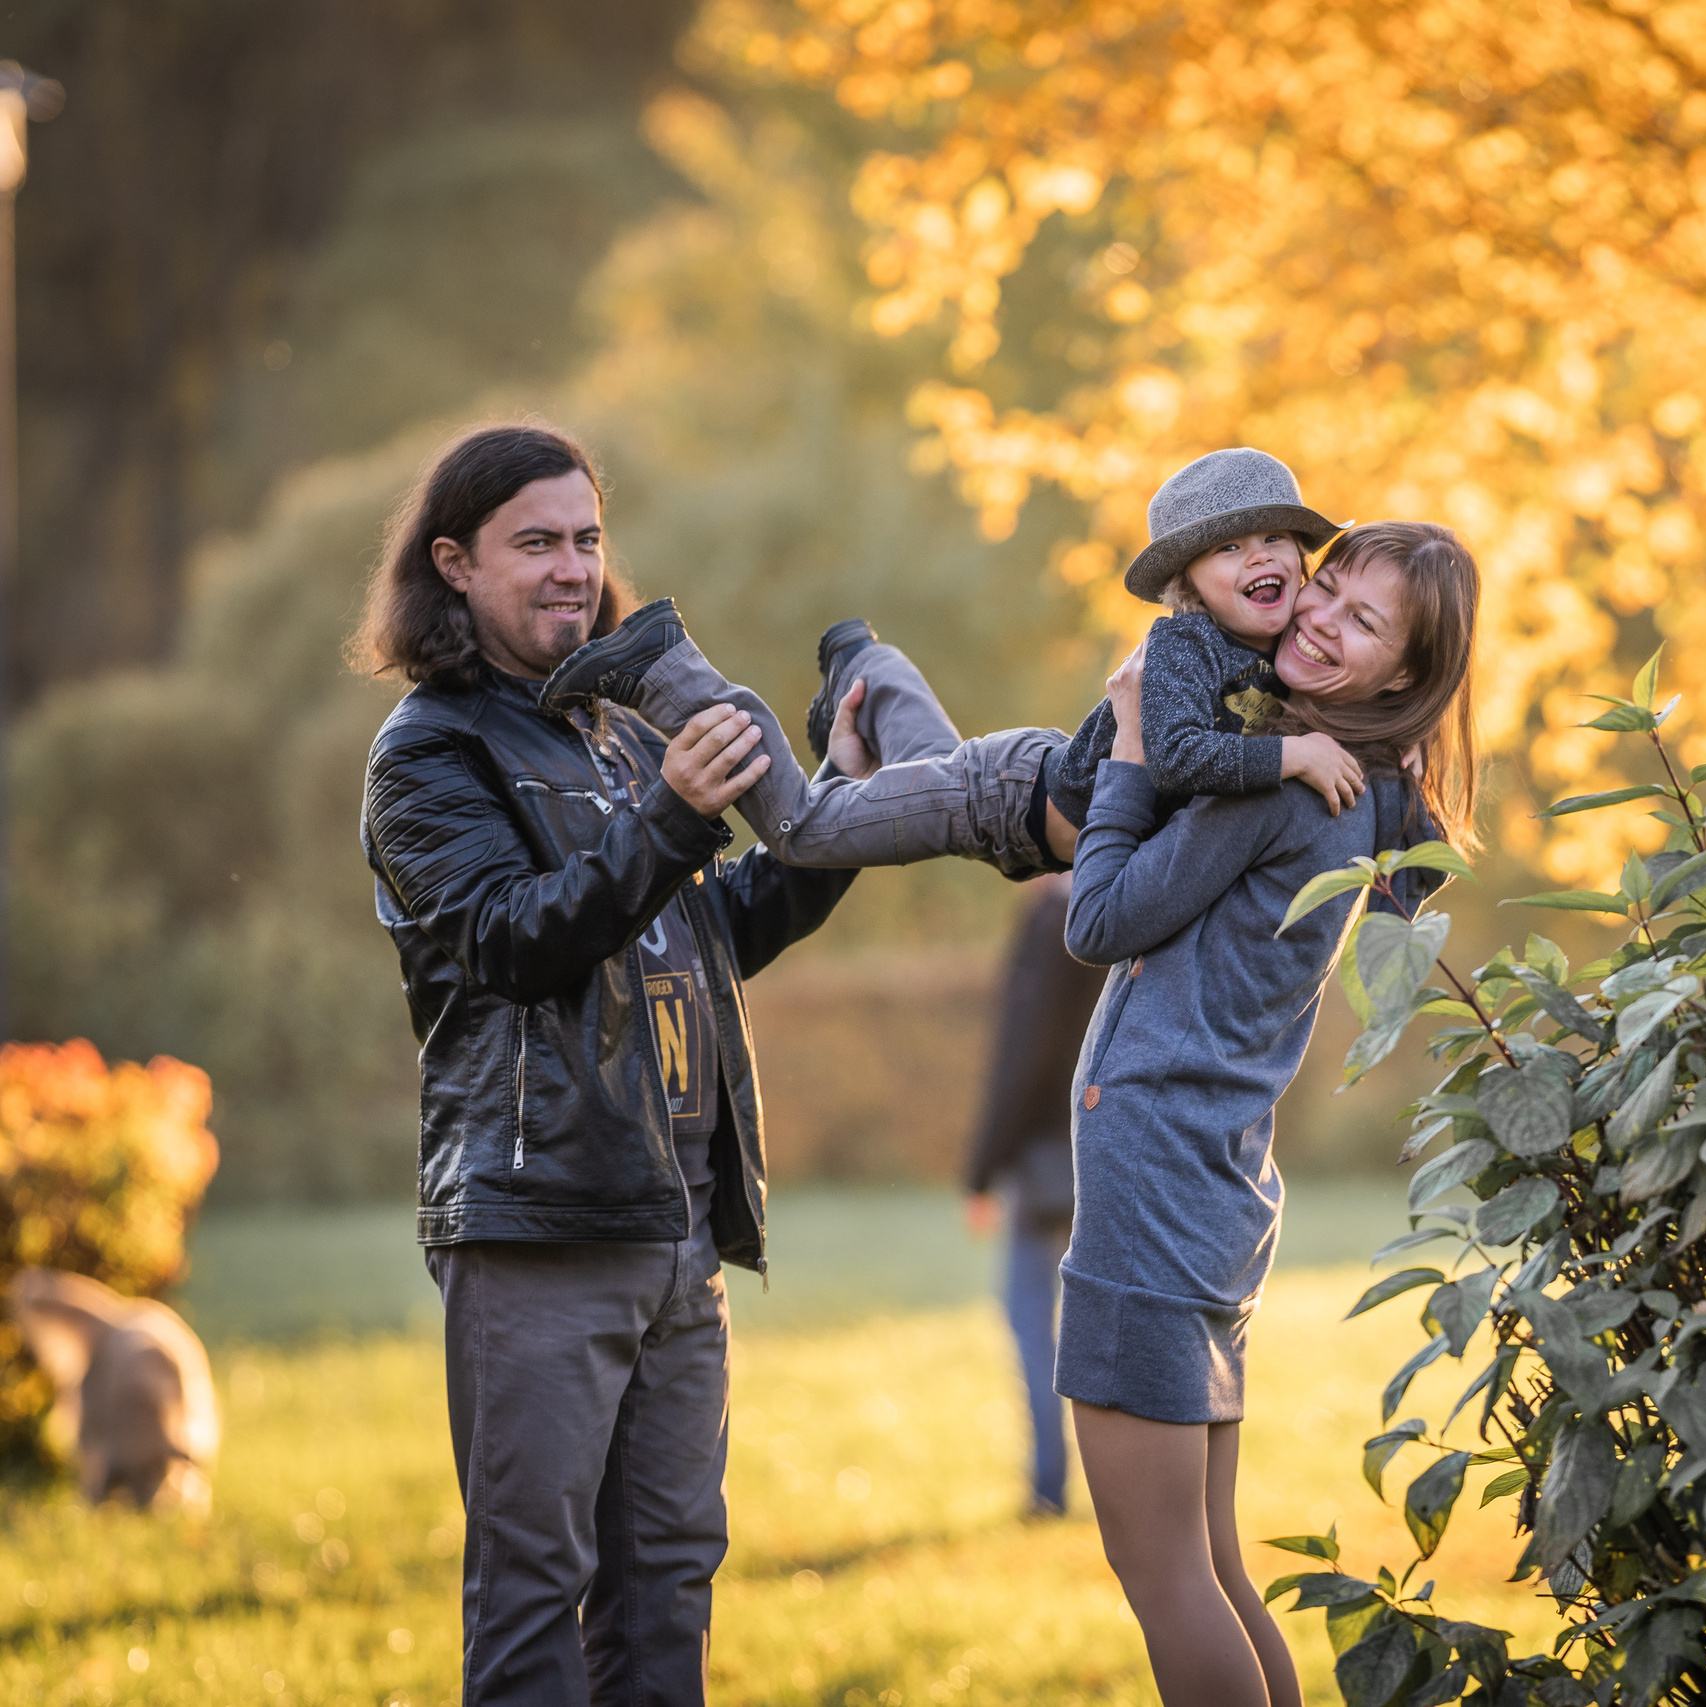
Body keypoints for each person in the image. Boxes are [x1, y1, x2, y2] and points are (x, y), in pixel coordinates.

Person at [353, 423, 857, 1706]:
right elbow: (510, 941)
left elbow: (712, 931)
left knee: (669, 1582)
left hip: (677, 1223)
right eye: (537, 543)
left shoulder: (618, 731)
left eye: (586, 538)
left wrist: (838, 820)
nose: (574, 568)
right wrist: (676, 814)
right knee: (534, 1589)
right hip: (540, 1222)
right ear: (454, 564)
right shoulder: (429, 750)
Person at [1058, 522, 1480, 1707]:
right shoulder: (1368, 791)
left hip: (1156, 1182)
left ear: (1404, 675)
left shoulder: (1282, 784)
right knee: (1210, 1567)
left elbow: (1096, 921)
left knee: (1164, 1576)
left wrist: (1133, 744)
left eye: (1361, 621)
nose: (1318, 618)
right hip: (1217, 1186)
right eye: (1325, 586)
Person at [528, 447, 1374, 878]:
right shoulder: (1185, 646)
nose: (1261, 556)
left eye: (1276, 538)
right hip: (1001, 797)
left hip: (1022, 799)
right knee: (803, 833)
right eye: (1229, 547)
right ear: (1186, 583)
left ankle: (867, 665)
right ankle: (665, 668)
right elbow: (1182, 756)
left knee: (932, 762)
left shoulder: (1280, 656)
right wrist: (1295, 754)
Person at [961, 873, 1110, 1518]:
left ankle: (1049, 1487)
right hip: (1115, 1151)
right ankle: (1116, 1489)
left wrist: (980, 1173)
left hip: (1048, 1162)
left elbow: (1020, 1056)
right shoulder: (1122, 906)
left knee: (1030, 1318)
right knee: (1106, 1329)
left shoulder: (1051, 922)